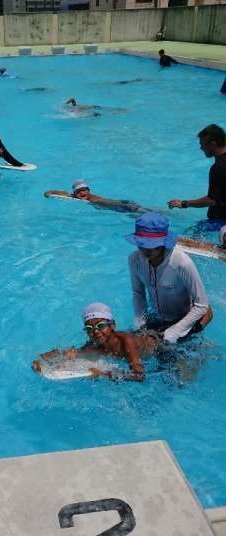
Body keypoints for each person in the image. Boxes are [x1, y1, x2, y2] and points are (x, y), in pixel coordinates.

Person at [126, 212, 212, 344]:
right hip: (156, 318)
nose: (145, 249)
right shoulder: (134, 259)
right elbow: (138, 293)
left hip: (184, 319)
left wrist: (175, 331)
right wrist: (140, 321)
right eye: (141, 244)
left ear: (163, 243)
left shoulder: (182, 263)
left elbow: (202, 305)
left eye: (151, 245)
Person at [32, 303, 161, 382]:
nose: (95, 331)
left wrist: (103, 375)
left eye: (100, 325)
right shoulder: (94, 344)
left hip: (160, 347)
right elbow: (70, 353)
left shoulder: (126, 342)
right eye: (89, 328)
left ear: (112, 325)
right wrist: (41, 360)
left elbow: (139, 376)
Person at [168, 124, 226, 230]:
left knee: (193, 232)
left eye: (203, 144)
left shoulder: (219, 168)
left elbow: (211, 200)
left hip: (221, 222)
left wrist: (184, 203)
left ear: (213, 144)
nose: (201, 148)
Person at [44, 179, 147, 213]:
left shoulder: (94, 199)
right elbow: (60, 193)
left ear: (88, 191)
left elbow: (109, 203)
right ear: (74, 194)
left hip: (120, 205)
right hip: (119, 205)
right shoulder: (74, 196)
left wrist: (124, 205)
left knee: (138, 212)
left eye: (84, 190)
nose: (82, 193)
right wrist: (48, 193)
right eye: (78, 191)